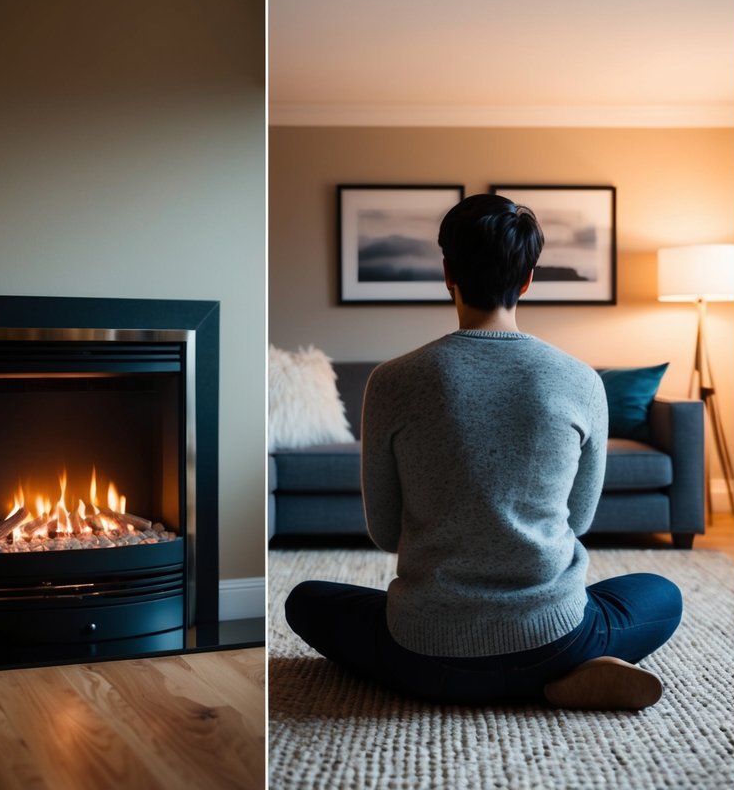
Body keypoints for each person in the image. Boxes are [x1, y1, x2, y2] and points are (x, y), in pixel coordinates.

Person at [285, 193, 682, 709]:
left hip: (424, 652)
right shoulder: (582, 380)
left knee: (306, 601)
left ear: (448, 271)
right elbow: (579, 520)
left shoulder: (392, 381)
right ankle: (555, 677)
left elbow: (385, 533)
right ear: (527, 279)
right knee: (661, 593)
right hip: (554, 637)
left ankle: (456, 680)